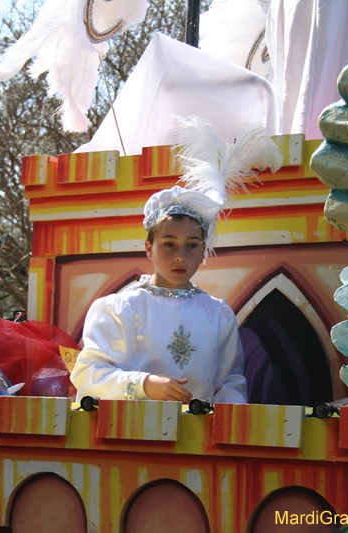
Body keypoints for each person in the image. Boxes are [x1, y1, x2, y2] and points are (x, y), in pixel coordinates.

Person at [70, 116, 282, 403]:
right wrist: (143, 384)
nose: (181, 256)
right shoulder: (119, 308)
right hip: (131, 439)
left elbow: (231, 380)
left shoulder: (218, 315)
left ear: (203, 249)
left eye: (192, 245)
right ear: (149, 248)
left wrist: (221, 415)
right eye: (169, 244)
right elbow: (88, 374)